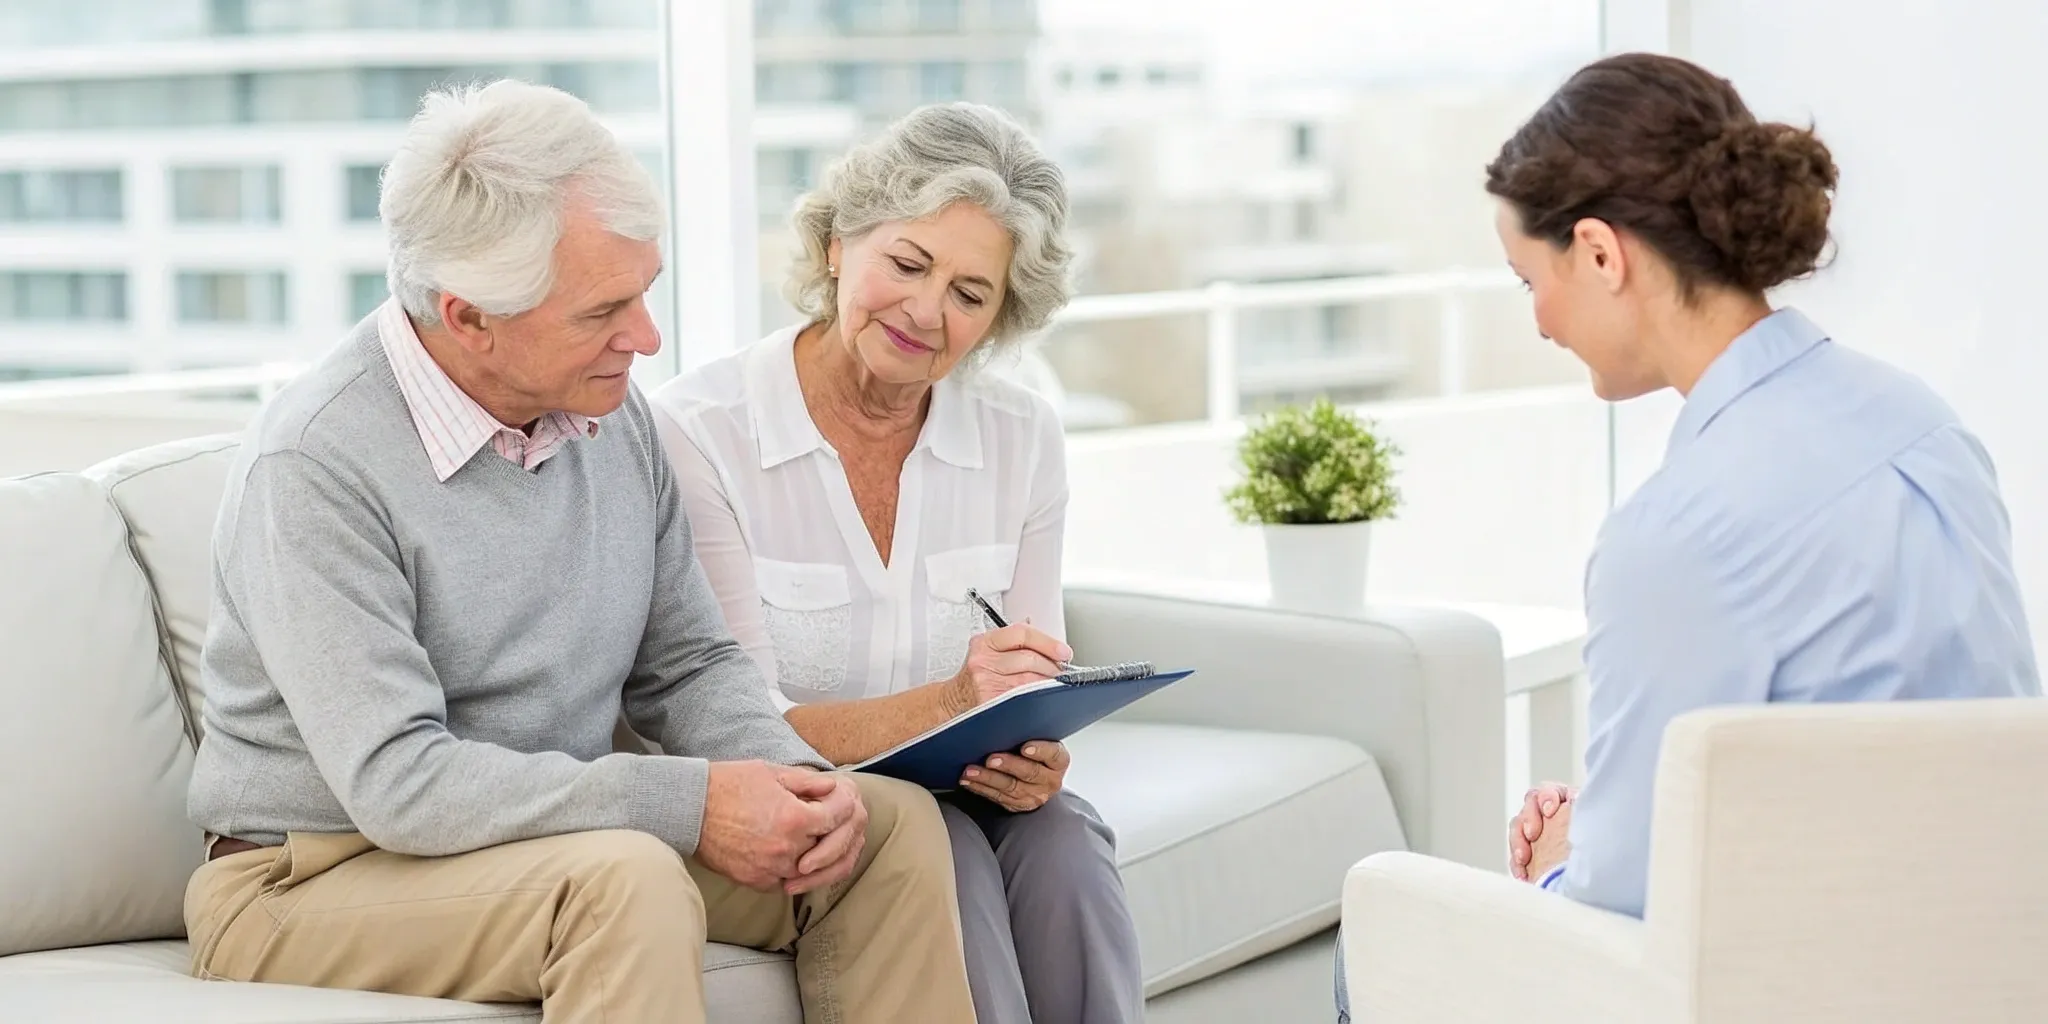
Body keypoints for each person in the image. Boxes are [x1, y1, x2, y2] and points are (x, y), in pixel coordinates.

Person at [182, 80, 976, 1024]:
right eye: (603, 311)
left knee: (883, 827)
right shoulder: (314, 463)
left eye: (644, 293)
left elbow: (687, 663)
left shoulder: (610, 414)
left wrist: (792, 782)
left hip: (545, 842)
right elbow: (402, 785)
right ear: (469, 315)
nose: (645, 338)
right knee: (625, 877)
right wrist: (691, 803)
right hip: (312, 875)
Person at [1338, 51, 2041, 1022]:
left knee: (1371, 929)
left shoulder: (1673, 534)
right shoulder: (1921, 423)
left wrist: (1553, 867)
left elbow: (1619, 921)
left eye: (1524, 279)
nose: (1538, 321)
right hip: (1978, 967)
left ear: (1597, 251)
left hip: (1774, 989)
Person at [648, 102, 1146, 1024]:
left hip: (966, 789)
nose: (926, 311)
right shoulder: (698, 432)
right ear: (840, 245)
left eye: (969, 293)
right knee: (937, 844)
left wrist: (1037, 752)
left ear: (1000, 318)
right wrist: (956, 700)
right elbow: (735, 722)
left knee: (1066, 834)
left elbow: (1039, 668)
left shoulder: (1021, 433)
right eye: (908, 264)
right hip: (798, 800)